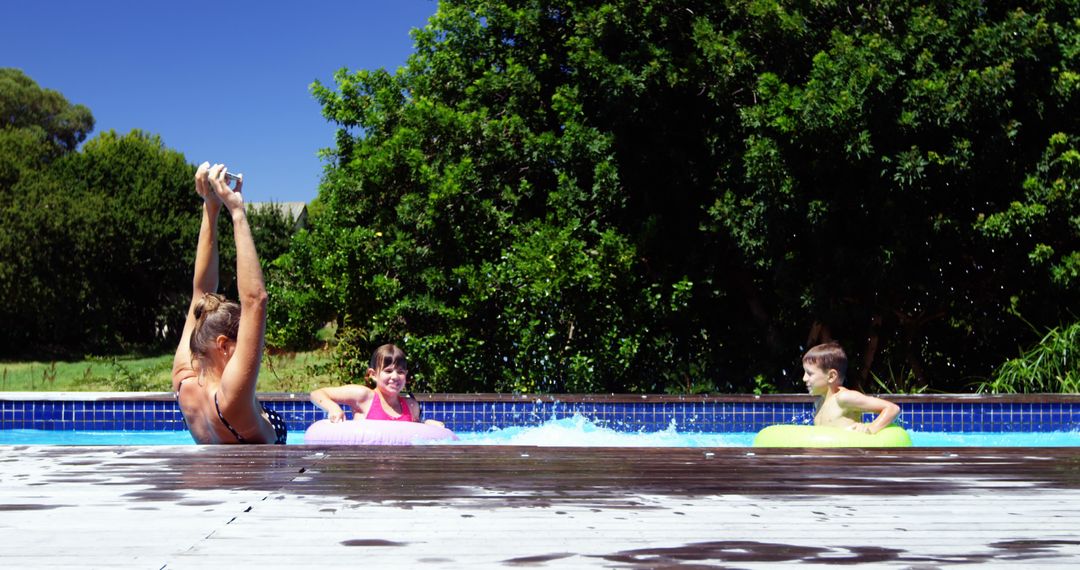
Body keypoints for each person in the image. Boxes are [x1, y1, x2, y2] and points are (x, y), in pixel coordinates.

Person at [171, 162, 287, 444]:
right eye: (242, 338)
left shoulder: (184, 382)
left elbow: (201, 292)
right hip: (256, 489)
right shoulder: (231, 398)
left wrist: (210, 207)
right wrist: (236, 212)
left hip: (212, 485)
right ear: (223, 345)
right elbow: (255, 300)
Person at [310, 344, 444, 427]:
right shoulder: (364, 397)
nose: (395, 377)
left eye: (400, 372)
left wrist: (427, 425)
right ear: (373, 374)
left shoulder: (411, 406)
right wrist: (333, 408)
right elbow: (316, 394)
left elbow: (411, 434)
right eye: (388, 371)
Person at [802, 341, 900, 434]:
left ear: (831, 376)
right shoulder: (819, 402)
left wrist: (870, 429)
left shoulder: (843, 398)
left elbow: (892, 408)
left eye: (809, 374)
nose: (804, 378)